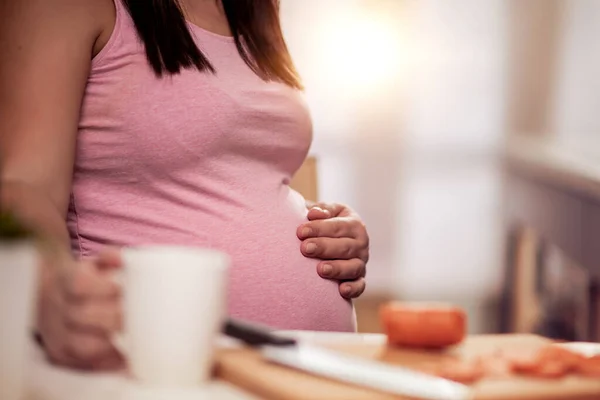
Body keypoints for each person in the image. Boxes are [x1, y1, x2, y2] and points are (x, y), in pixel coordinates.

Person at [0, 0, 369, 370]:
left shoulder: (253, 7)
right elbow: (23, 186)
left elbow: (231, 175)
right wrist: (47, 287)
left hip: (316, 369)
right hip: (153, 368)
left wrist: (327, 227)